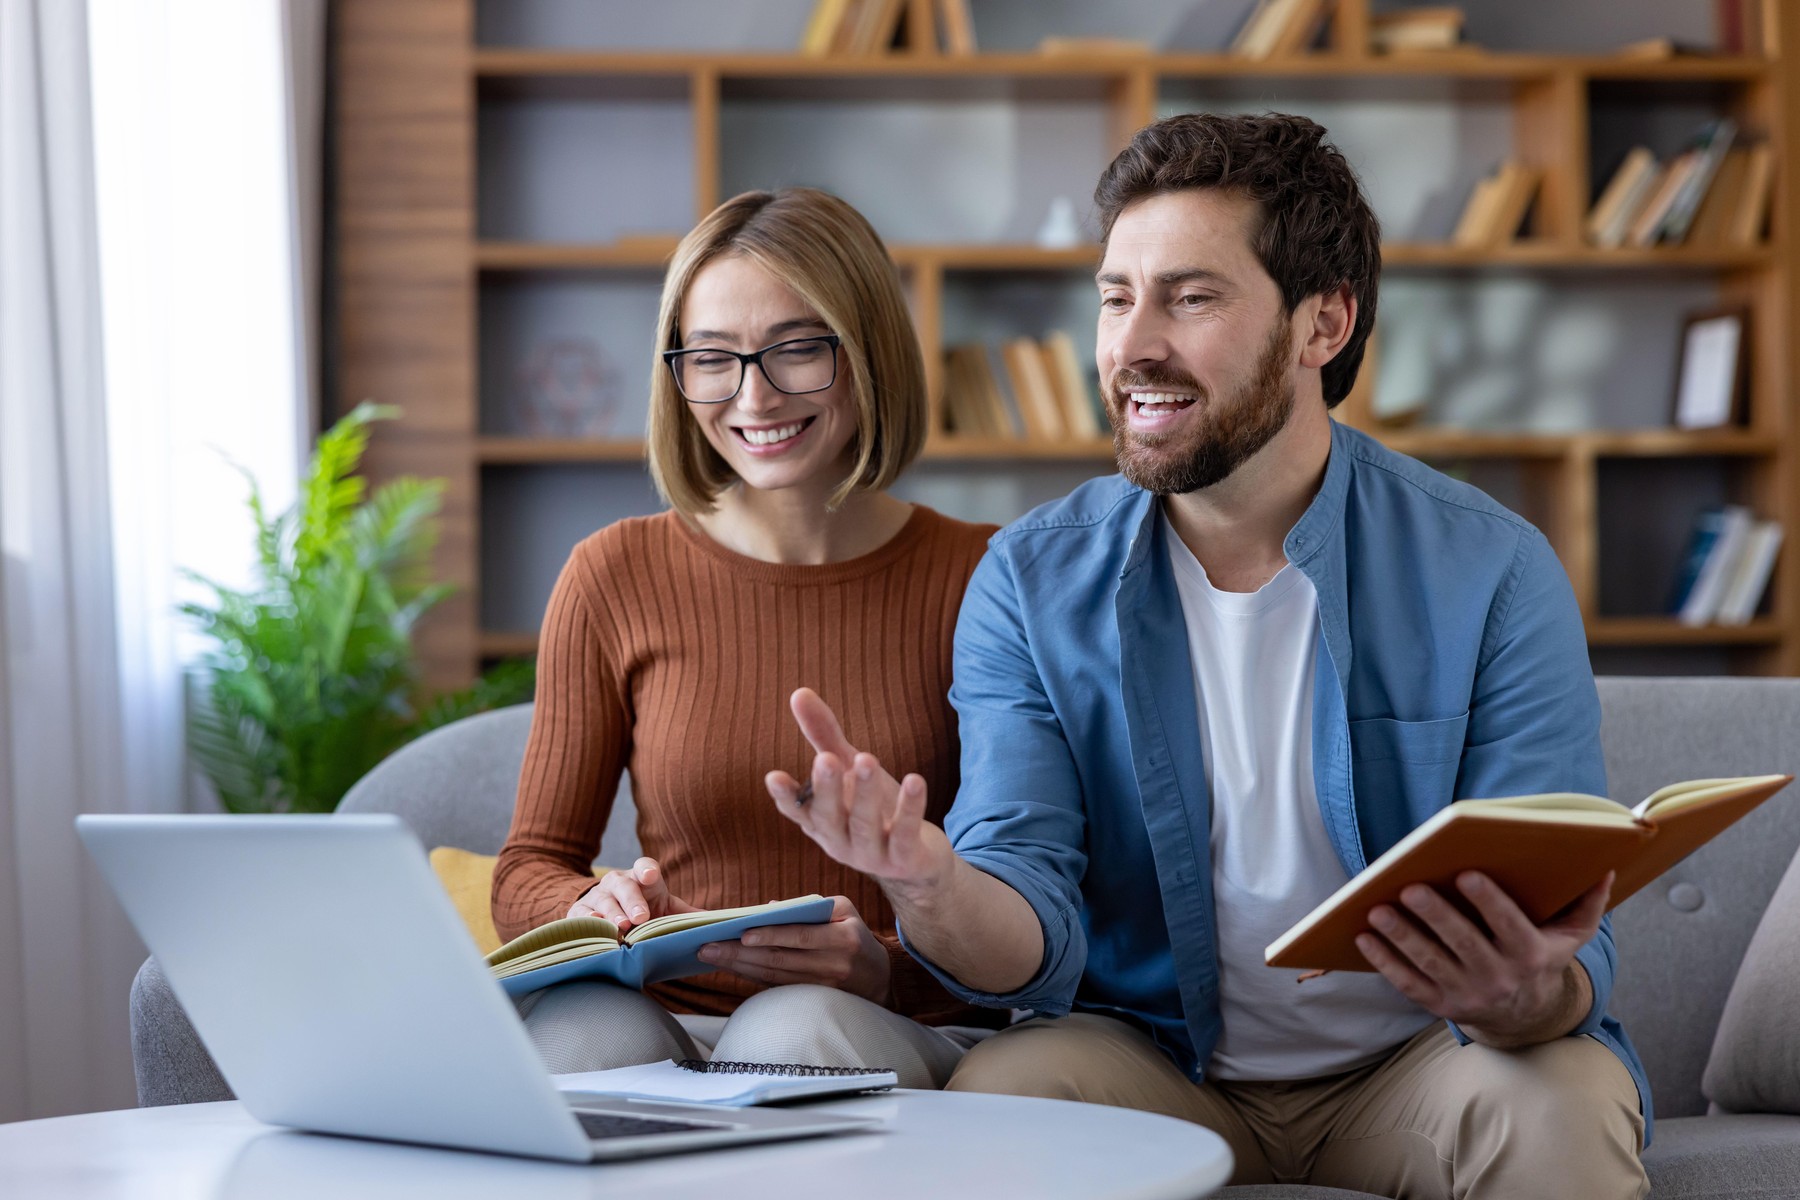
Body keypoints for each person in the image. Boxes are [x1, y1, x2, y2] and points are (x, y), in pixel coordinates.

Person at [766, 114, 1651, 1197]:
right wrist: (932, 884)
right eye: (1115, 296)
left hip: (1421, 1062)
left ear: (1322, 324)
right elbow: (1028, 931)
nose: (1133, 343)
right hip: (1154, 1062)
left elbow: (1565, 952)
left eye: (1191, 297)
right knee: (1005, 1087)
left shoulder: (1493, 569)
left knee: (1561, 1097)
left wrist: (1524, 995)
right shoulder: (1032, 580)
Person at [492, 187, 1003, 1089]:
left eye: (797, 350)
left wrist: (885, 961)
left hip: (888, 1023)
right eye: (713, 360)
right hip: (672, 1015)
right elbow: (529, 867)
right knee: (582, 1031)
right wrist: (588, 905)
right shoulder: (611, 575)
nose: (753, 396)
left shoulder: (982, 576)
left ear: (869, 351)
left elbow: (1036, 892)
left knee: (794, 1026)